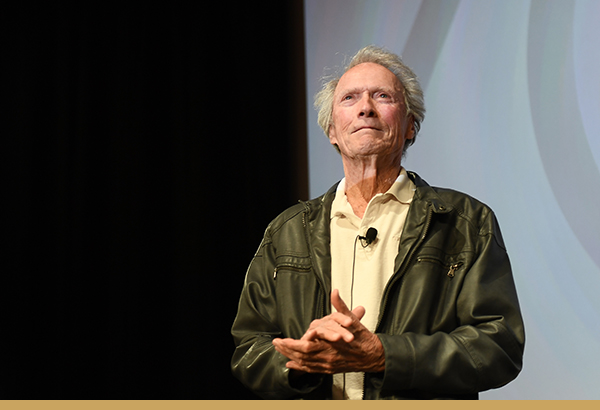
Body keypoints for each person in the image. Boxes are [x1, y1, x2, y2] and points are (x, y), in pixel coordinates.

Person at [231, 45, 525, 400]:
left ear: (410, 126)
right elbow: (249, 348)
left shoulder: (465, 222)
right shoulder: (287, 231)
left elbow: (499, 347)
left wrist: (386, 355)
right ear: (332, 131)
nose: (365, 108)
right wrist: (300, 361)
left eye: (382, 96)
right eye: (350, 98)